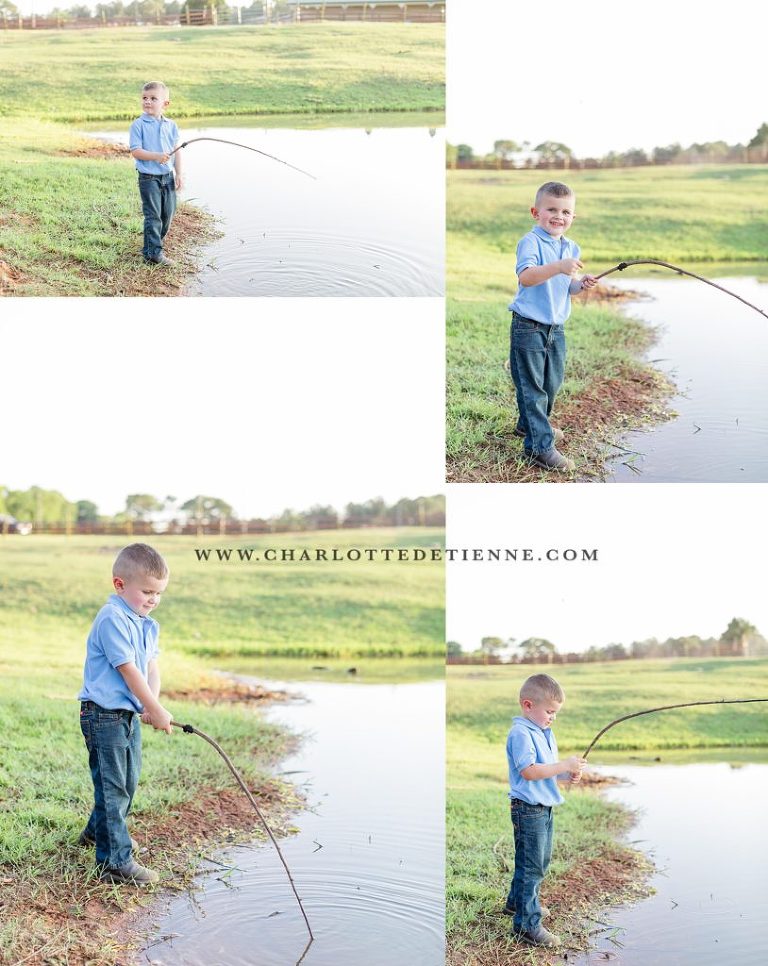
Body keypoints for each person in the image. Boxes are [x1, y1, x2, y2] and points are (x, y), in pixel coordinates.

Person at [77, 543, 173, 884]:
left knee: (125, 784)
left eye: (158, 593)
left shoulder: (146, 622)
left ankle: (95, 833)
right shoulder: (112, 618)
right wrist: (155, 708)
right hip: (103, 716)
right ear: (120, 585)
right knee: (114, 787)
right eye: (146, 591)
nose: (153, 599)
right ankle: (114, 862)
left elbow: (150, 667)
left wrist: (151, 705)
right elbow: (129, 671)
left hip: (127, 717)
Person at [508, 181, 598, 473]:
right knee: (533, 388)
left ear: (573, 217)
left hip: (555, 329)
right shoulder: (531, 242)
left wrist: (580, 285)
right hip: (529, 327)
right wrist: (559, 266)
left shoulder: (571, 247)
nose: (559, 216)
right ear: (536, 212)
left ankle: (530, 426)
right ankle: (539, 446)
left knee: (551, 384)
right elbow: (528, 278)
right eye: (551, 209)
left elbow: (567, 288)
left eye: (566, 211)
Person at [504, 673, 586, 947]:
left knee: (535, 860)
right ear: (528, 705)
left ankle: (517, 903)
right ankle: (527, 924)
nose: (553, 717)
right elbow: (529, 771)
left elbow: (546, 771)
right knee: (533, 866)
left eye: (555, 713)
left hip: (543, 806)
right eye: (549, 711)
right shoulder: (521, 733)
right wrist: (564, 765)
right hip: (528, 808)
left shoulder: (544, 733)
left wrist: (568, 775)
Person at [129, 81, 184, 266]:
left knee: (167, 215)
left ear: (165, 104)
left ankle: (151, 246)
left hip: (167, 178)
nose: (147, 102)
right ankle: (154, 254)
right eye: (144, 98)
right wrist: (156, 156)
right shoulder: (138, 125)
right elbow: (136, 151)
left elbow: (177, 151)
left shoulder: (171, 125)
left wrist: (179, 174)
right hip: (148, 178)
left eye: (153, 98)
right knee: (153, 216)